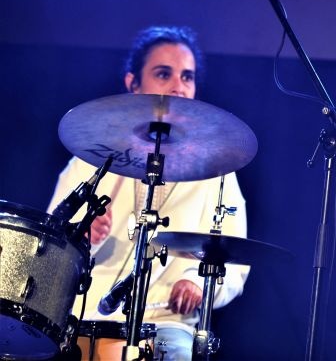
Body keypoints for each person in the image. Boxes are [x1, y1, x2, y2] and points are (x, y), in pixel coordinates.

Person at [48, 26, 249, 361]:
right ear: (133, 84)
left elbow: (234, 261)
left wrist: (197, 283)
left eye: (187, 77)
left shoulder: (218, 169)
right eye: (163, 74)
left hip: (167, 326)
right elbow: (46, 250)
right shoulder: (90, 158)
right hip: (87, 319)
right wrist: (79, 237)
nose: (178, 87)